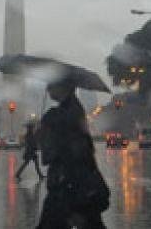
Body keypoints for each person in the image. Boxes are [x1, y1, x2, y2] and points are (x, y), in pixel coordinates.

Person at [36, 80, 109, 229]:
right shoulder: (71, 108)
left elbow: (63, 150)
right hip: (74, 184)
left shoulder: (65, 113)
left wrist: (46, 123)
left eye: (52, 84)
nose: (48, 88)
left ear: (64, 87)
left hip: (69, 185)